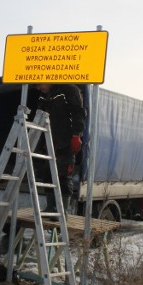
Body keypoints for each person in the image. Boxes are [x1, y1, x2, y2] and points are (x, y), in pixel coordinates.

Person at [35, 83, 86, 215]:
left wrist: (76, 135)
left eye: (39, 84)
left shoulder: (69, 90)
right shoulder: (45, 95)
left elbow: (78, 113)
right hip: (50, 140)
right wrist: (41, 140)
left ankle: (62, 210)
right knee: (47, 173)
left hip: (66, 142)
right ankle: (50, 207)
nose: (38, 88)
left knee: (63, 175)